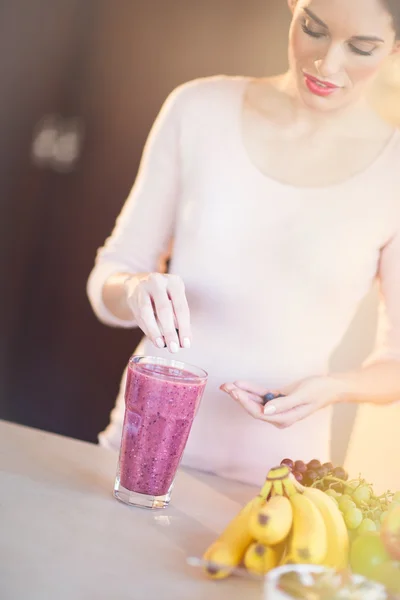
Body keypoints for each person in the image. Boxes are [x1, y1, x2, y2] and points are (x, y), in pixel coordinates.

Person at [87, 0, 400, 487]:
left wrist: (337, 388)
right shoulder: (197, 109)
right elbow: (112, 273)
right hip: (138, 447)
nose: (327, 63)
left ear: (395, 47)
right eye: (313, 29)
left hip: (279, 476)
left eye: (361, 47)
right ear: (292, 6)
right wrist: (132, 290)